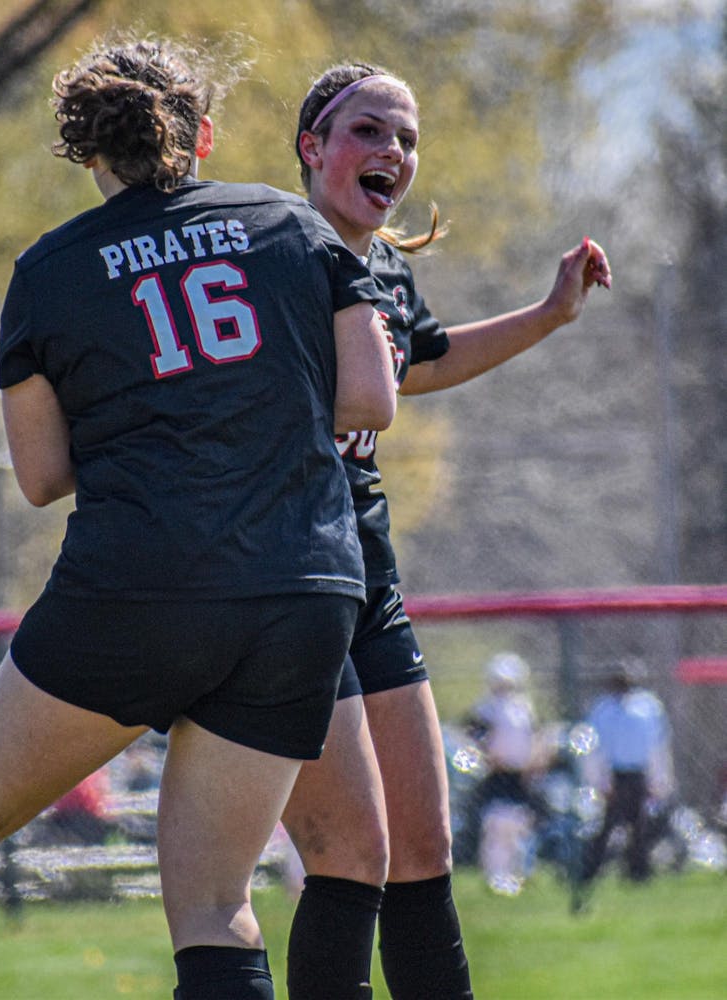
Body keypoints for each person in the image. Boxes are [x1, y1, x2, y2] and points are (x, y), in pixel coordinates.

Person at [0, 35, 397, 1000]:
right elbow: (370, 400)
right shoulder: (292, 223)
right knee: (216, 903)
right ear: (203, 137)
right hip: (301, 587)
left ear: (86, 149)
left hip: (139, 582)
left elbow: (42, 476)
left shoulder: (50, 271)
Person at [279, 63, 612, 999]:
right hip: (279, 581)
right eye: (368, 130)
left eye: (407, 138)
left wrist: (552, 314)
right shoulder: (269, 254)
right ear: (311, 146)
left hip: (367, 577)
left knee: (422, 851)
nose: (392, 150)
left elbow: (421, 364)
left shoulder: (384, 267)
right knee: (352, 858)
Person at [580, 661, 674, 883]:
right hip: (614, 774)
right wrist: (599, 781)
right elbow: (595, 748)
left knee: (640, 824)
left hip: (639, 774)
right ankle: (591, 869)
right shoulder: (602, 709)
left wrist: (659, 777)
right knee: (608, 824)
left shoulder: (648, 707)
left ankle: (638, 871)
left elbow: (657, 745)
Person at [465, 653, 541, 894]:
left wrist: (533, 763)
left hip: (519, 776)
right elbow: (474, 739)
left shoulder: (523, 709)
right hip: (496, 775)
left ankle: (517, 874)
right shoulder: (486, 709)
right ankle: (495, 875)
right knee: (496, 824)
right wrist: (486, 757)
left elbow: (533, 740)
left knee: (518, 824)